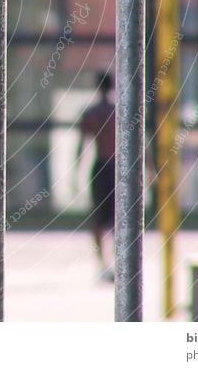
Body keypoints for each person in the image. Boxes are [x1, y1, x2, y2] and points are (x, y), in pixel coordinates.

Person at [74, 71, 116, 282]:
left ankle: (103, 264)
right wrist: (149, 169)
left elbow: (81, 145)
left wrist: (76, 172)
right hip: (116, 167)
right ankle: (114, 262)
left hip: (101, 167)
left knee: (100, 218)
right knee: (118, 218)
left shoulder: (92, 113)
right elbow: (140, 143)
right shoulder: (118, 111)